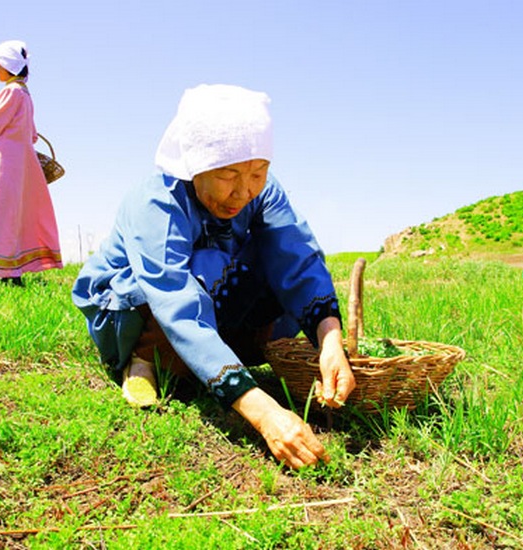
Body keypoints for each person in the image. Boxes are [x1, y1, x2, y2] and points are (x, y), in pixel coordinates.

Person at [72, 84, 356, 470]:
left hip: (212, 293)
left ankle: (206, 364)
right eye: (228, 176)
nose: (244, 191)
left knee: (271, 261)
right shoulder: (157, 201)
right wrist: (265, 415)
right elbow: (175, 298)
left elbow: (297, 257)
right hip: (138, 305)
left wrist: (329, 339)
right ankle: (144, 358)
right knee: (200, 269)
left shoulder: (262, 193)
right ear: (196, 165)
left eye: (258, 173)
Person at [0, 40, 62, 286]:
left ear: (7, 65)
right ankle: (11, 271)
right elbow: (32, 133)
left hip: (3, 163)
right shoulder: (25, 94)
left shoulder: (10, 92)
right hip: (19, 163)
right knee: (12, 214)